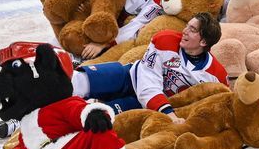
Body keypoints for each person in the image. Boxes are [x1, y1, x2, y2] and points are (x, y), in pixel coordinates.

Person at [70, 14, 226, 114]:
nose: (184, 31)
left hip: (146, 106)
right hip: (130, 77)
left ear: (204, 41)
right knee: (80, 80)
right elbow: (147, 79)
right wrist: (166, 111)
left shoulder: (216, 76)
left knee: (98, 116)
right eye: (187, 26)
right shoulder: (166, 40)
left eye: (192, 29)